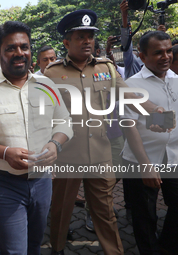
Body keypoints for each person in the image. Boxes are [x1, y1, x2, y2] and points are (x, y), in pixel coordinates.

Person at [44, 9, 164, 255]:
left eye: (90, 36)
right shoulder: (52, 74)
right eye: (80, 36)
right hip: (67, 156)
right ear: (67, 42)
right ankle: (56, 249)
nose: (87, 41)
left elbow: (129, 94)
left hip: (100, 154)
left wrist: (156, 110)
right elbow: (44, 118)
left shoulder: (106, 68)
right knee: (60, 211)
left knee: (105, 213)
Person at [0, 21, 73, 254]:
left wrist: (55, 144)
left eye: (24, 46)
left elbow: (64, 121)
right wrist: (4, 153)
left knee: (35, 244)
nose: (19, 53)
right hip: (4, 183)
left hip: (42, 182)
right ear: (0, 53)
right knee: (14, 250)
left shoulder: (46, 85)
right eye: (11, 48)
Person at [122, 31, 178, 255]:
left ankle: (166, 245)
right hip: (140, 160)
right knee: (145, 216)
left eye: (168, 51)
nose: (165, 56)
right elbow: (130, 126)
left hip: (173, 157)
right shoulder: (132, 85)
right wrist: (145, 165)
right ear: (142, 57)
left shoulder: (175, 79)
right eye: (158, 53)